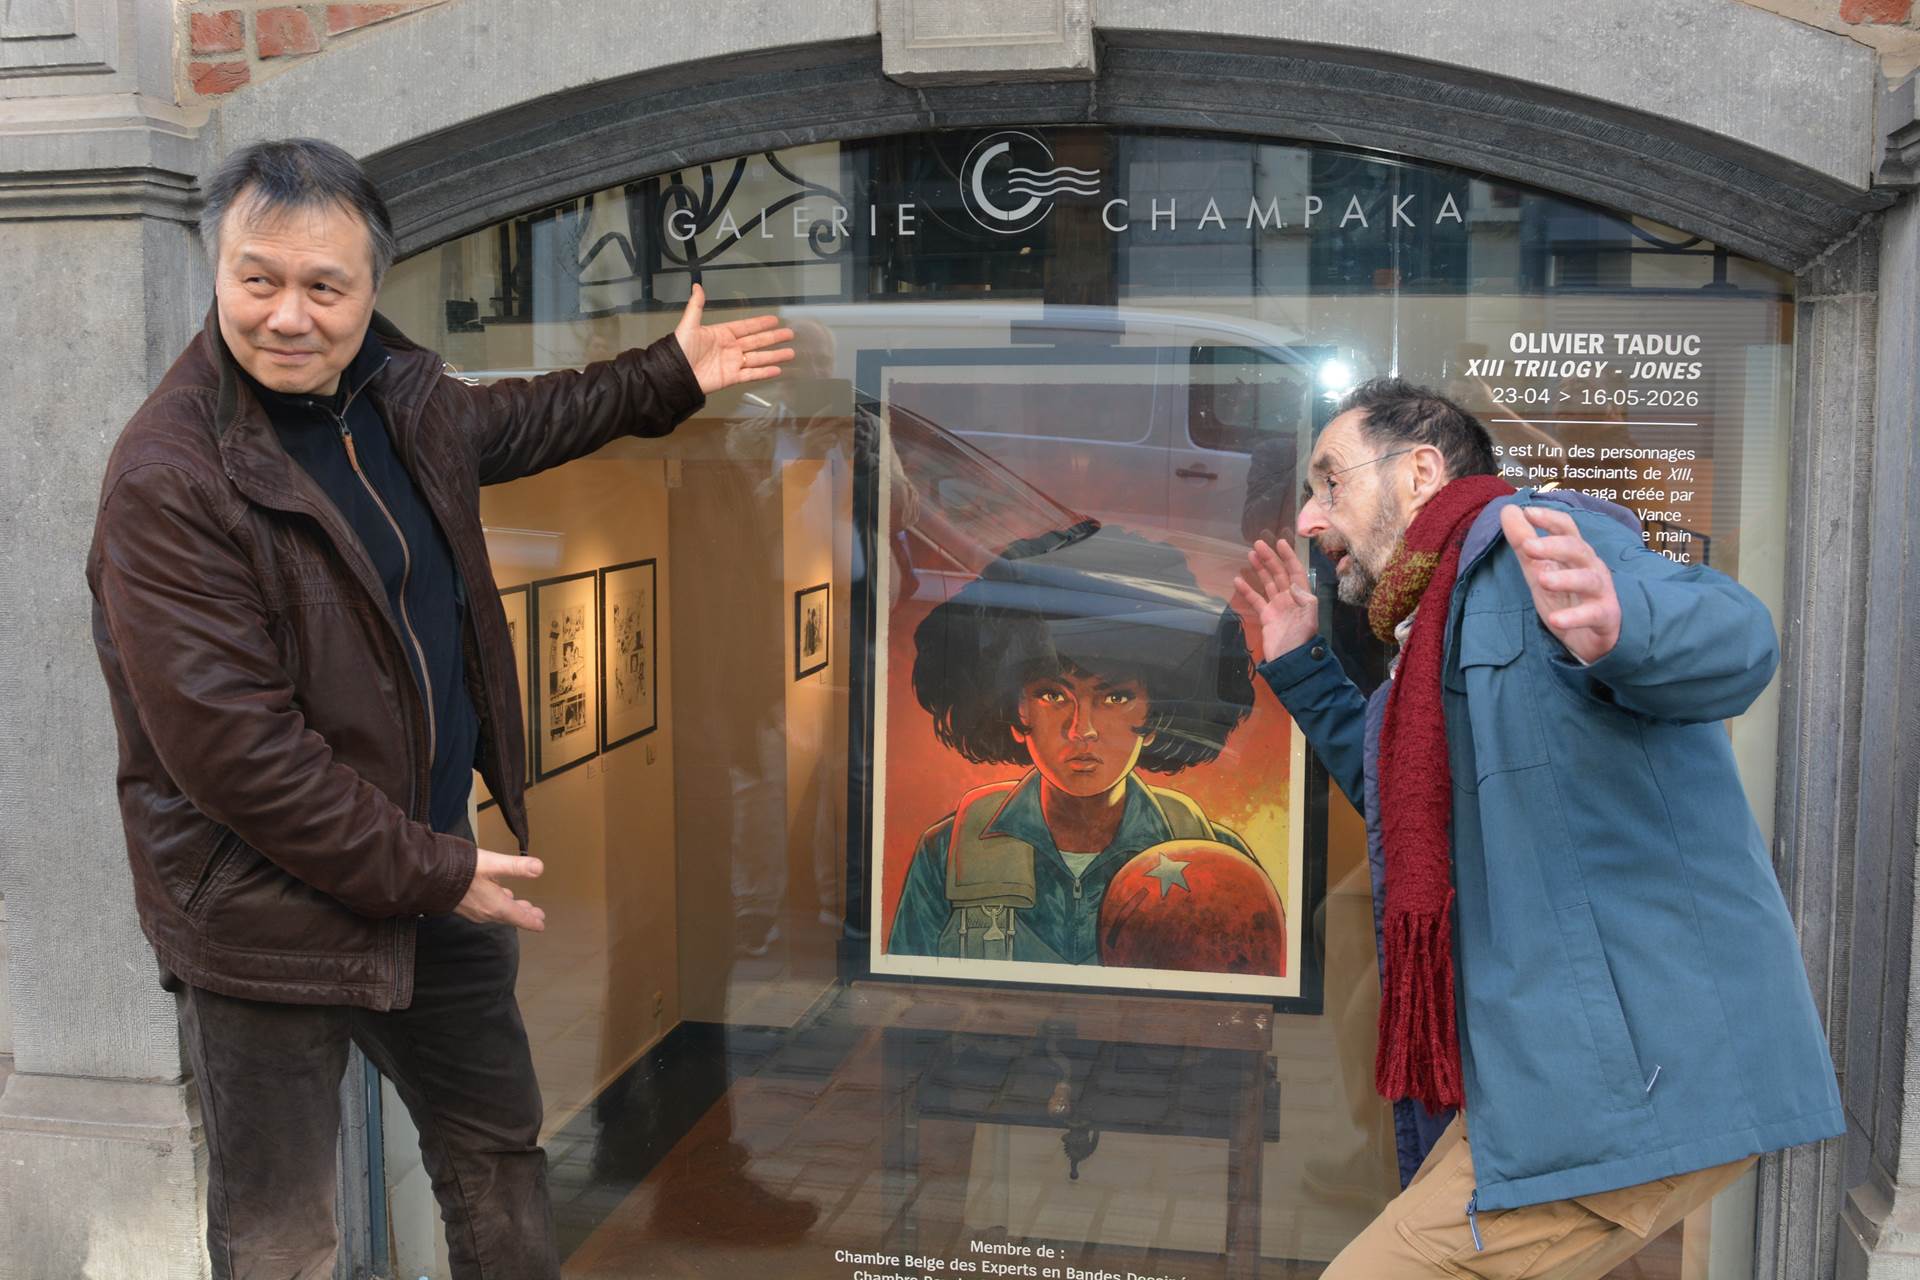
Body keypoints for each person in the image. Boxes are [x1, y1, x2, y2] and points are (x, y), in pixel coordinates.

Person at [85, 138, 794, 1279]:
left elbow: (522, 419)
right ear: (218, 271)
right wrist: (436, 870)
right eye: (257, 279)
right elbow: (238, 756)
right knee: (283, 1236)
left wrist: (668, 373)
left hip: (427, 872)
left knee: (496, 1162)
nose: (287, 315)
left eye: (325, 287)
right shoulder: (170, 477)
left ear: (375, 287)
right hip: (264, 912)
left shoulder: (396, 398)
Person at [1232, 378, 1842, 1276]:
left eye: (1331, 481)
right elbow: (1405, 808)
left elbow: (1738, 636)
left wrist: (1624, 625)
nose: (1311, 517)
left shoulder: (1531, 547)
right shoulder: (1432, 629)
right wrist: (1300, 665)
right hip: (1551, 1081)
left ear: (1419, 473)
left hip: (1623, 1081)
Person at [887, 527, 1276, 965]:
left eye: (1115, 698)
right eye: (1052, 695)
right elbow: (904, 989)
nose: (1081, 730)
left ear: (1158, 714)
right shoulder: (948, 852)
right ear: (1016, 709)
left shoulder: (1216, 858)